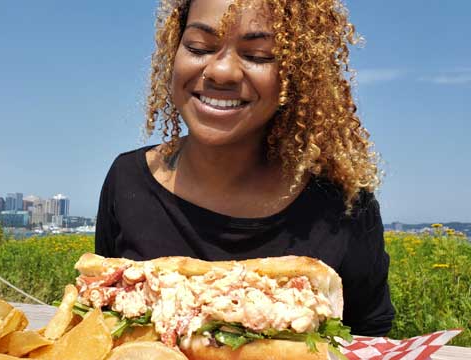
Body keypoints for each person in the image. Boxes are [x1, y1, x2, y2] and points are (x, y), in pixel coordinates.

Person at [95, 0, 395, 337]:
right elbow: (103, 318)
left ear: (294, 74)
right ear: (174, 52)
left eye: (258, 55)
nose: (221, 72)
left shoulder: (344, 207)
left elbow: (372, 334)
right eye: (199, 47)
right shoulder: (126, 179)